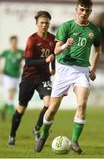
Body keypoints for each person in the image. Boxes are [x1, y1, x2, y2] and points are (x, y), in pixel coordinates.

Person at [35, 0, 101, 154]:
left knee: (82, 105)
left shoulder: (94, 30)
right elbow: (56, 50)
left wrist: (93, 70)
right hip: (64, 69)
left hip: (81, 71)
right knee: (51, 110)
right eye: (82, 9)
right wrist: (65, 45)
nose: (84, 13)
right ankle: (43, 136)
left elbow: (97, 50)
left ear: (90, 11)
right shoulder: (66, 26)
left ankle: (75, 141)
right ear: (76, 9)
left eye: (87, 10)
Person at [8, 11, 56, 146]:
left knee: (49, 104)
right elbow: (28, 62)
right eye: (41, 23)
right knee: (21, 108)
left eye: (46, 23)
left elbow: (54, 56)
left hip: (44, 77)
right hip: (29, 77)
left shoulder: (53, 39)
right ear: (37, 24)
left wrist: (53, 68)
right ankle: (12, 135)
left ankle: (36, 129)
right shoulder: (32, 39)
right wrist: (45, 61)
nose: (44, 25)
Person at [0, 36, 24, 121]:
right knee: (10, 92)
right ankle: (12, 111)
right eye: (13, 42)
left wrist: (22, 66)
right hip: (7, 75)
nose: (14, 43)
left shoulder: (20, 52)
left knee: (13, 93)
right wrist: (1, 68)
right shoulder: (6, 52)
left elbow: (26, 60)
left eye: (15, 42)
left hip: (16, 75)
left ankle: (4, 109)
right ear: (10, 42)